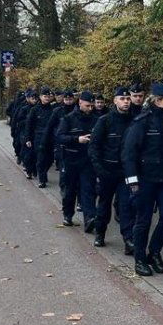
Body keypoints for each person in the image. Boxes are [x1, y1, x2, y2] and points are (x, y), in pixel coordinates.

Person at [123, 83, 163, 276]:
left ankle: (154, 251)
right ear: (158, 100)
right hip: (145, 180)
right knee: (143, 221)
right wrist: (133, 181)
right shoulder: (143, 121)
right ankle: (139, 258)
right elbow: (129, 153)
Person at [89, 87, 135, 249]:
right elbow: (94, 147)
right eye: (122, 99)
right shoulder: (105, 121)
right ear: (115, 101)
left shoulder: (134, 121)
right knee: (104, 206)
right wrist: (100, 170)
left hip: (125, 173)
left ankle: (128, 240)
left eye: (128, 99)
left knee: (126, 206)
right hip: (107, 171)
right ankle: (100, 233)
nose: (126, 102)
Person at [55, 91, 98, 227]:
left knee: (88, 190)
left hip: (88, 161)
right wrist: (76, 139)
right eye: (88, 105)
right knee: (70, 191)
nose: (90, 108)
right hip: (70, 160)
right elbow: (60, 137)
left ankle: (89, 218)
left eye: (92, 106)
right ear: (80, 103)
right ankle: (67, 215)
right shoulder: (68, 119)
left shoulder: (96, 119)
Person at [25, 87, 56, 188]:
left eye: (48, 96)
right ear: (40, 97)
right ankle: (42, 179)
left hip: (50, 138)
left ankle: (40, 172)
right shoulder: (35, 110)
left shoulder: (53, 110)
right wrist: (28, 138)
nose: (47, 98)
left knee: (50, 159)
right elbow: (29, 125)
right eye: (45, 96)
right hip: (38, 137)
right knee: (41, 159)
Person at [47, 89, 77, 174]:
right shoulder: (58, 110)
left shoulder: (77, 110)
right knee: (61, 159)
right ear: (64, 100)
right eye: (66, 100)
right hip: (60, 138)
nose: (68, 102)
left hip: (73, 139)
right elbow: (50, 125)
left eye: (70, 99)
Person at [15, 91, 38, 171]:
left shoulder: (37, 108)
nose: (34, 100)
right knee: (25, 147)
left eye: (36, 99)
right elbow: (19, 120)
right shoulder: (24, 108)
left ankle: (31, 165)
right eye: (33, 99)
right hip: (24, 131)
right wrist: (28, 120)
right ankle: (25, 162)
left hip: (34, 132)